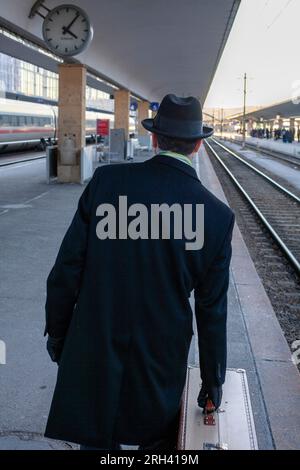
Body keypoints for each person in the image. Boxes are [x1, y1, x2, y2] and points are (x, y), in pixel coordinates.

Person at [44, 94, 235, 451]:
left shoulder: (106, 184)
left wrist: (59, 336)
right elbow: (212, 312)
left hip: (94, 346)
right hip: (161, 358)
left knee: (97, 440)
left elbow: (66, 270)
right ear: (197, 146)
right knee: (156, 443)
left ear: (154, 139)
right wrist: (212, 381)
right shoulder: (217, 216)